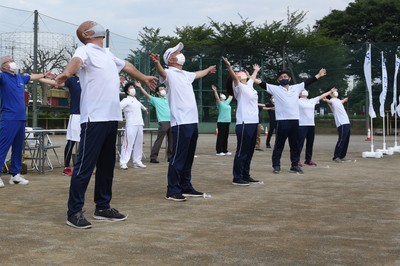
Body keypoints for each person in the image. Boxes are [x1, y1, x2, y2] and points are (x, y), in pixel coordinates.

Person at [54, 21, 157, 229]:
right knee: (84, 166)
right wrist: (66, 73)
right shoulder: (85, 50)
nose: (97, 24)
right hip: (94, 118)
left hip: (112, 118)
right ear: (87, 33)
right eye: (92, 24)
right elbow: (75, 61)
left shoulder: (108, 54)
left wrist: (144, 77)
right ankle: (73, 212)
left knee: (107, 165)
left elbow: (127, 66)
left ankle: (102, 207)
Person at [150, 42, 216, 201]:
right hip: (180, 123)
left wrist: (208, 70)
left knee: (188, 157)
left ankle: (186, 186)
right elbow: (162, 73)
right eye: (176, 52)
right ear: (170, 59)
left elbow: (198, 74)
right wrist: (157, 62)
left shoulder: (186, 74)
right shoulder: (169, 73)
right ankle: (172, 190)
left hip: (192, 122)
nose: (180, 53)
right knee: (178, 157)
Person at [257, 68, 327, 174]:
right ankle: (276, 165)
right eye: (280, 77)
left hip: (295, 121)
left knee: (295, 145)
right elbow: (262, 83)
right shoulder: (275, 89)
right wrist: (251, 77)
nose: (283, 78)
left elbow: (308, 81)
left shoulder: (296, 87)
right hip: (282, 121)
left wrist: (318, 75)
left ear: (289, 78)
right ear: (278, 81)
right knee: (279, 144)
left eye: (285, 77)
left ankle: (294, 165)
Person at [0, 55, 50, 188]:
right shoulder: (3, 77)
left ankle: (15, 175)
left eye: (12, 60)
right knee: (3, 147)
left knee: (18, 148)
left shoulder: (20, 78)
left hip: (21, 119)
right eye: (9, 61)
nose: (13, 62)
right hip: (8, 118)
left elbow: (32, 76)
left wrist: (44, 74)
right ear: (4, 66)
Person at [223, 57, 261, 186]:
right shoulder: (238, 87)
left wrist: (256, 71)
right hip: (244, 123)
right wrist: (229, 67)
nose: (242, 73)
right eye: (239, 73)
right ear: (238, 78)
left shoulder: (249, 86)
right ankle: (237, 177)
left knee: (250, 151)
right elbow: (234, 77)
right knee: (242, 151)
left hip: (253, 122)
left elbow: (252, 79)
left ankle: (246, 174)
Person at [39, 74, 81, 176]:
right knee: (72, 142)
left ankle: (83, 166)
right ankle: (66, 168)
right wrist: (39, 78)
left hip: (89, 115)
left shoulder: (89, 78)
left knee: (87, 142)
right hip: (76, 115)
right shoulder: (71, 80)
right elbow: (55, 82)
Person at [298, 88, 335, 166]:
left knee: (310, 143)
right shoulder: (297, 101)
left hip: (311, 125)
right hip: (301, 125)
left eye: (305, 90)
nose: (304, 91)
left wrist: (330, 92)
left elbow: (321, 96)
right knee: (299, 143)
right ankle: (296, 160)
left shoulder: (312, 100)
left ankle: (308, 160)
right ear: (299, 94)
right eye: (302, 90)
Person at [137, 83, 172, 163]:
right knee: (159, 140)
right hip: (163, 122)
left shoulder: (169, 99)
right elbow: (147, 95)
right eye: (160, 89)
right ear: (157, 92)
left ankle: (170, 157)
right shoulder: (155, 100)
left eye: (163, 89)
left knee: (172, 141)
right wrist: (140, 87)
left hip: (172, 121)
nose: (163, 90)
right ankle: (153, 157)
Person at [119, 81, 148, 169]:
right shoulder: (125, 100)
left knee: (138, 143)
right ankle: (123, 162)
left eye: (133, 87)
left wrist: (145, 110)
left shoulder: (136, 101)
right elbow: (118, 107)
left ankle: (137, 161)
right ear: (127, 91)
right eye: (130, 87)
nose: (133, 89)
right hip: (131, 124)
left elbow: (142, 107)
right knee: (128, 143)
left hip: (139, 124)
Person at [322, 88, 351, 163]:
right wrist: (325, 99)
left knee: (346, 140)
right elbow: (328, 101)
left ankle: (342, 156)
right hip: (341, 123)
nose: (335, 92)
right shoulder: (331, 101)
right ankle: (336, 157)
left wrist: (345, 99)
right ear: (330, 94)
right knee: (341, 140)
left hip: (346, 122)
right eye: (333, 92)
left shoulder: (338, 100)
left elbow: (343, 101)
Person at [211, 84, 233, 156]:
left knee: (226, 136)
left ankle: (225, 150)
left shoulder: (226, 103)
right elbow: (217, 98)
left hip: (227, 122)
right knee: (221, 136)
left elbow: (231, 96)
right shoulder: (219, 103)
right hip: (221, 122)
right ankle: (219, 151)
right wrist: (215, 91)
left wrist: (233, 84)